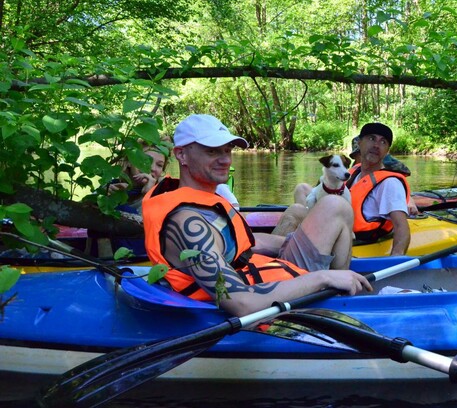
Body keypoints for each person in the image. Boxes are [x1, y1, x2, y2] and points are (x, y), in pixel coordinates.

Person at [142, 114, 371, 317]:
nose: (225, 160)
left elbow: (244, 244)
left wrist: (291, 241)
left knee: (332, 206)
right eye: (212, 151)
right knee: (333, 207)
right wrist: (323, 277)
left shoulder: (204, 200)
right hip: (266, 303)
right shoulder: (186, 223)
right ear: (181, 154)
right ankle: (341, 299)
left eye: (227, 150)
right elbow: (242, 303)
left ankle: (344, 284)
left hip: (274, 274)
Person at [346, 123, 412, 256]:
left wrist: (395, 262)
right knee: (299, 207)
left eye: (383, 142)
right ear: (359, 143)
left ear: (387, 150)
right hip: (341, 230)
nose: (376, 145)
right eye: (371, 139)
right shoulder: (353, 173)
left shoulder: (390, 183)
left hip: (360, 239)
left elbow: (401, 227)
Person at [350, 135, 419, 216]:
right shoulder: (352, 171)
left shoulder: (387, 165)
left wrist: (409, 201)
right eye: (359, 155)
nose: (363, 158)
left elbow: (396, 184)